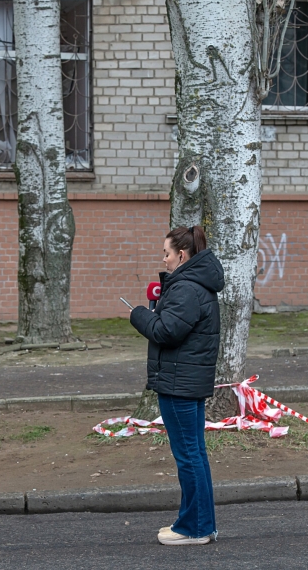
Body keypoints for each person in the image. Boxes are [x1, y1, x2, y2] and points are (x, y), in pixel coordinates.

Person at [128, 225, 225, 546]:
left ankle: (194, 528)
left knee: (188, 456)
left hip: (178, 383)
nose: (164, 259)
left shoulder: (186, 288)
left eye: (167, 253)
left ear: (182, 255)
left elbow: (167, 331)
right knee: (195, 454)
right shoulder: (195, 284)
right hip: (187, 380)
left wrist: (139, 314)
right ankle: (200, 523)